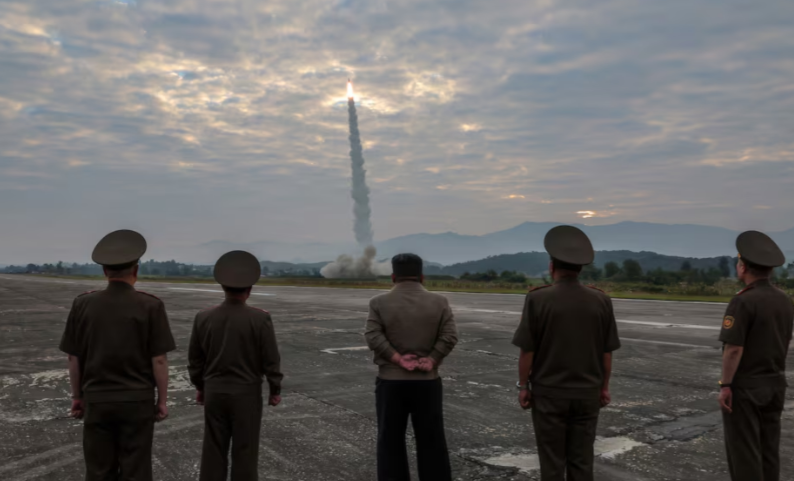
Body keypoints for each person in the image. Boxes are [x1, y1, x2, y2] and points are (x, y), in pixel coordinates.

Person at [59, 229, 176, 481]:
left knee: (99, 470)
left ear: (104, 272)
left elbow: (73, 358)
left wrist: (77, 397)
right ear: (136, 270)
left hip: (97, 400)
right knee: (137, 469)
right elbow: (159, 360)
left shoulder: (82, 304)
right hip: (137, 401)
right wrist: (162, 401)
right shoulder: (151, 305)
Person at [512, 225, 621, 481]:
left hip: (550, 394)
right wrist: (604, 387)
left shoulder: (538, 300)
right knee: (582, 461)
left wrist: (523, 386)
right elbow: (607, 352)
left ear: (552, 267)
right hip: (587, 393)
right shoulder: (601, 301)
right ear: (580, 268)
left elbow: (527, 351)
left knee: (552, 462)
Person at [188, 250, 283, 481]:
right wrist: (274, 389)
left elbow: (195, 360)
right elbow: (270, 358)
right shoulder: (260, 319)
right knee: (245, 451)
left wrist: (201, 387)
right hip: (246, 394)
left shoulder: (203, 317)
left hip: (214, 391)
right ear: (250, 289)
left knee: (213, 450)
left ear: (222, 286)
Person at [365, 253, 458, 481]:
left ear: (393, 276)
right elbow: (450, 335)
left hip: (391, 382)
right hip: (427, 382)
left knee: (390, 441)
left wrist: (397, 358)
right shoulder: (440, 302)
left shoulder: (378, 303)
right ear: (422, 276)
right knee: (432, 440)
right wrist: (432, 358)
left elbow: (373, 335)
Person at [718, 231, 793, 481]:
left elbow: (734, 348)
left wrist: (726, 385)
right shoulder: (784, 299)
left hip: (748, 387)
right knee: (768, 448)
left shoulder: (743, 302)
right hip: (775, 383)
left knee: (745, 451)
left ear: (744, 267)